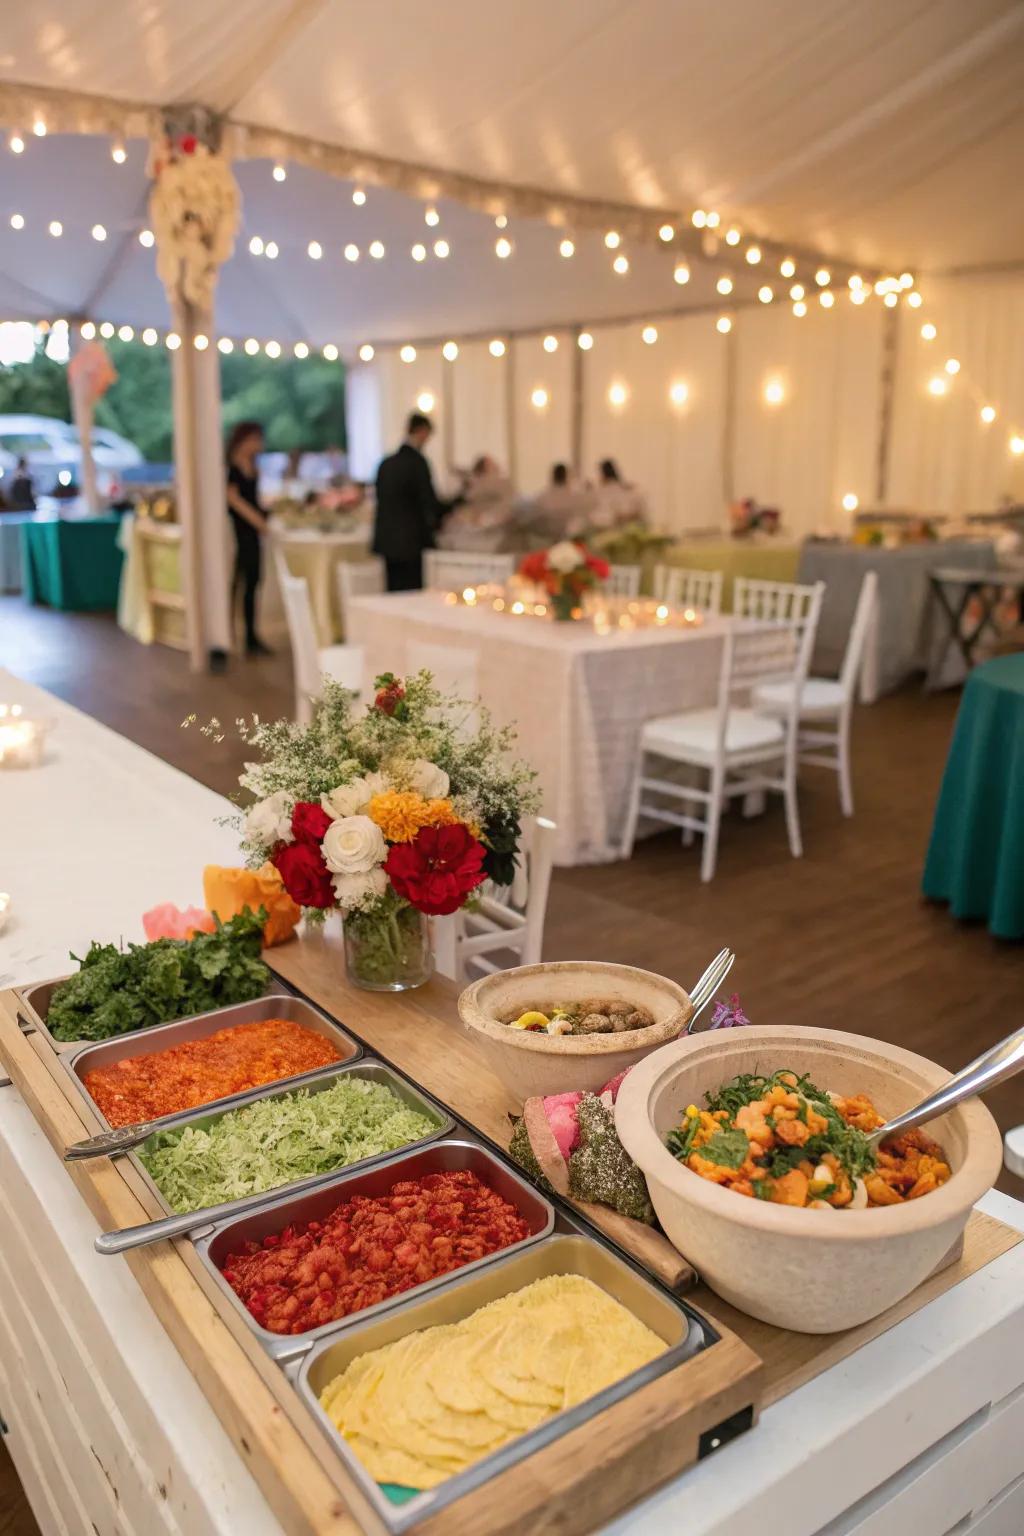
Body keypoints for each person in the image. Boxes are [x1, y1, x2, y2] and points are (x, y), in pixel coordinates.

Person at [372, 413, 461, 590]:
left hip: (387, 541)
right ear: (422, 432)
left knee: (393, 591)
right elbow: (429, 503)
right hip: (411, 542)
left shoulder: (386, 464)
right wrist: (457, 502)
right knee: (412, 592)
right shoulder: (417, 463)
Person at [225, 420, 272, 656]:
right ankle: (234, 634)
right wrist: (259, 522)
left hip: (252, 533)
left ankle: (251, 636)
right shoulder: (232, 469)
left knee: (253, 582)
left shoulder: (252, 467)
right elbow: (234, 501)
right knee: (240, 584)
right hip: (239, 533)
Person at [437, 454, 514, 552]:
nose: (497, 466)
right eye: (493, 465)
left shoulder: (499, 486)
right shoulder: (473, 485)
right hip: (474, 527)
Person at [525, 462, 597, 542]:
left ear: (553, 477)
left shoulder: (542, 497)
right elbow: (589, 510)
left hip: (546, 539)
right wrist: (590, 491)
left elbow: (533, 519)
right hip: (570, 539)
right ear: (566, 476)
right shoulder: (575, 497)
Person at [593, 457, 647, 528]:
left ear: (603, 474)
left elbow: (605, 515)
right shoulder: (625, 488)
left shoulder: (607, 490)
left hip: (617, 526)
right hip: (624, 525)